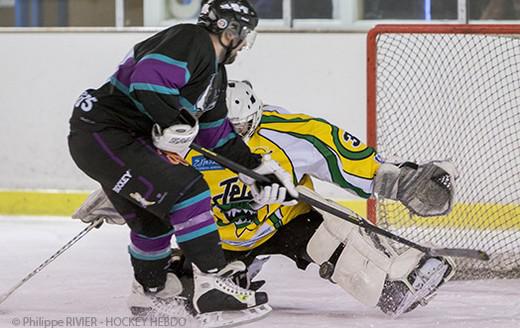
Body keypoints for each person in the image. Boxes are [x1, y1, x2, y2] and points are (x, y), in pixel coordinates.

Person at [75, 80, 458, 318]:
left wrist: (398, 181)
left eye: (242, 127)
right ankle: (232, 274)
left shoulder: (292, 132)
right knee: (180, 299)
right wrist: (117, 194)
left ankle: (394, 283)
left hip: (284, 222)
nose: (235, 136)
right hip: (214, 238)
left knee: (335, 234)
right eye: (228, 128)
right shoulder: (184, 137)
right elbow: (143, 170)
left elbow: (347, 161)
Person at [67, 1, 298, 326]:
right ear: (228, 30)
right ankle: (211, 287)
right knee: (189, 190)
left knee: (153, 221)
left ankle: (150, 290)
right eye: (244, 34)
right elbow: (148, 79)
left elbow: (217, 137)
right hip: (105, 132)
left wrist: (258, 170)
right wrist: (174, 120)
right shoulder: (193, 41)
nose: (245, 43)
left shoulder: (215, 73)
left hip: (106, 138)